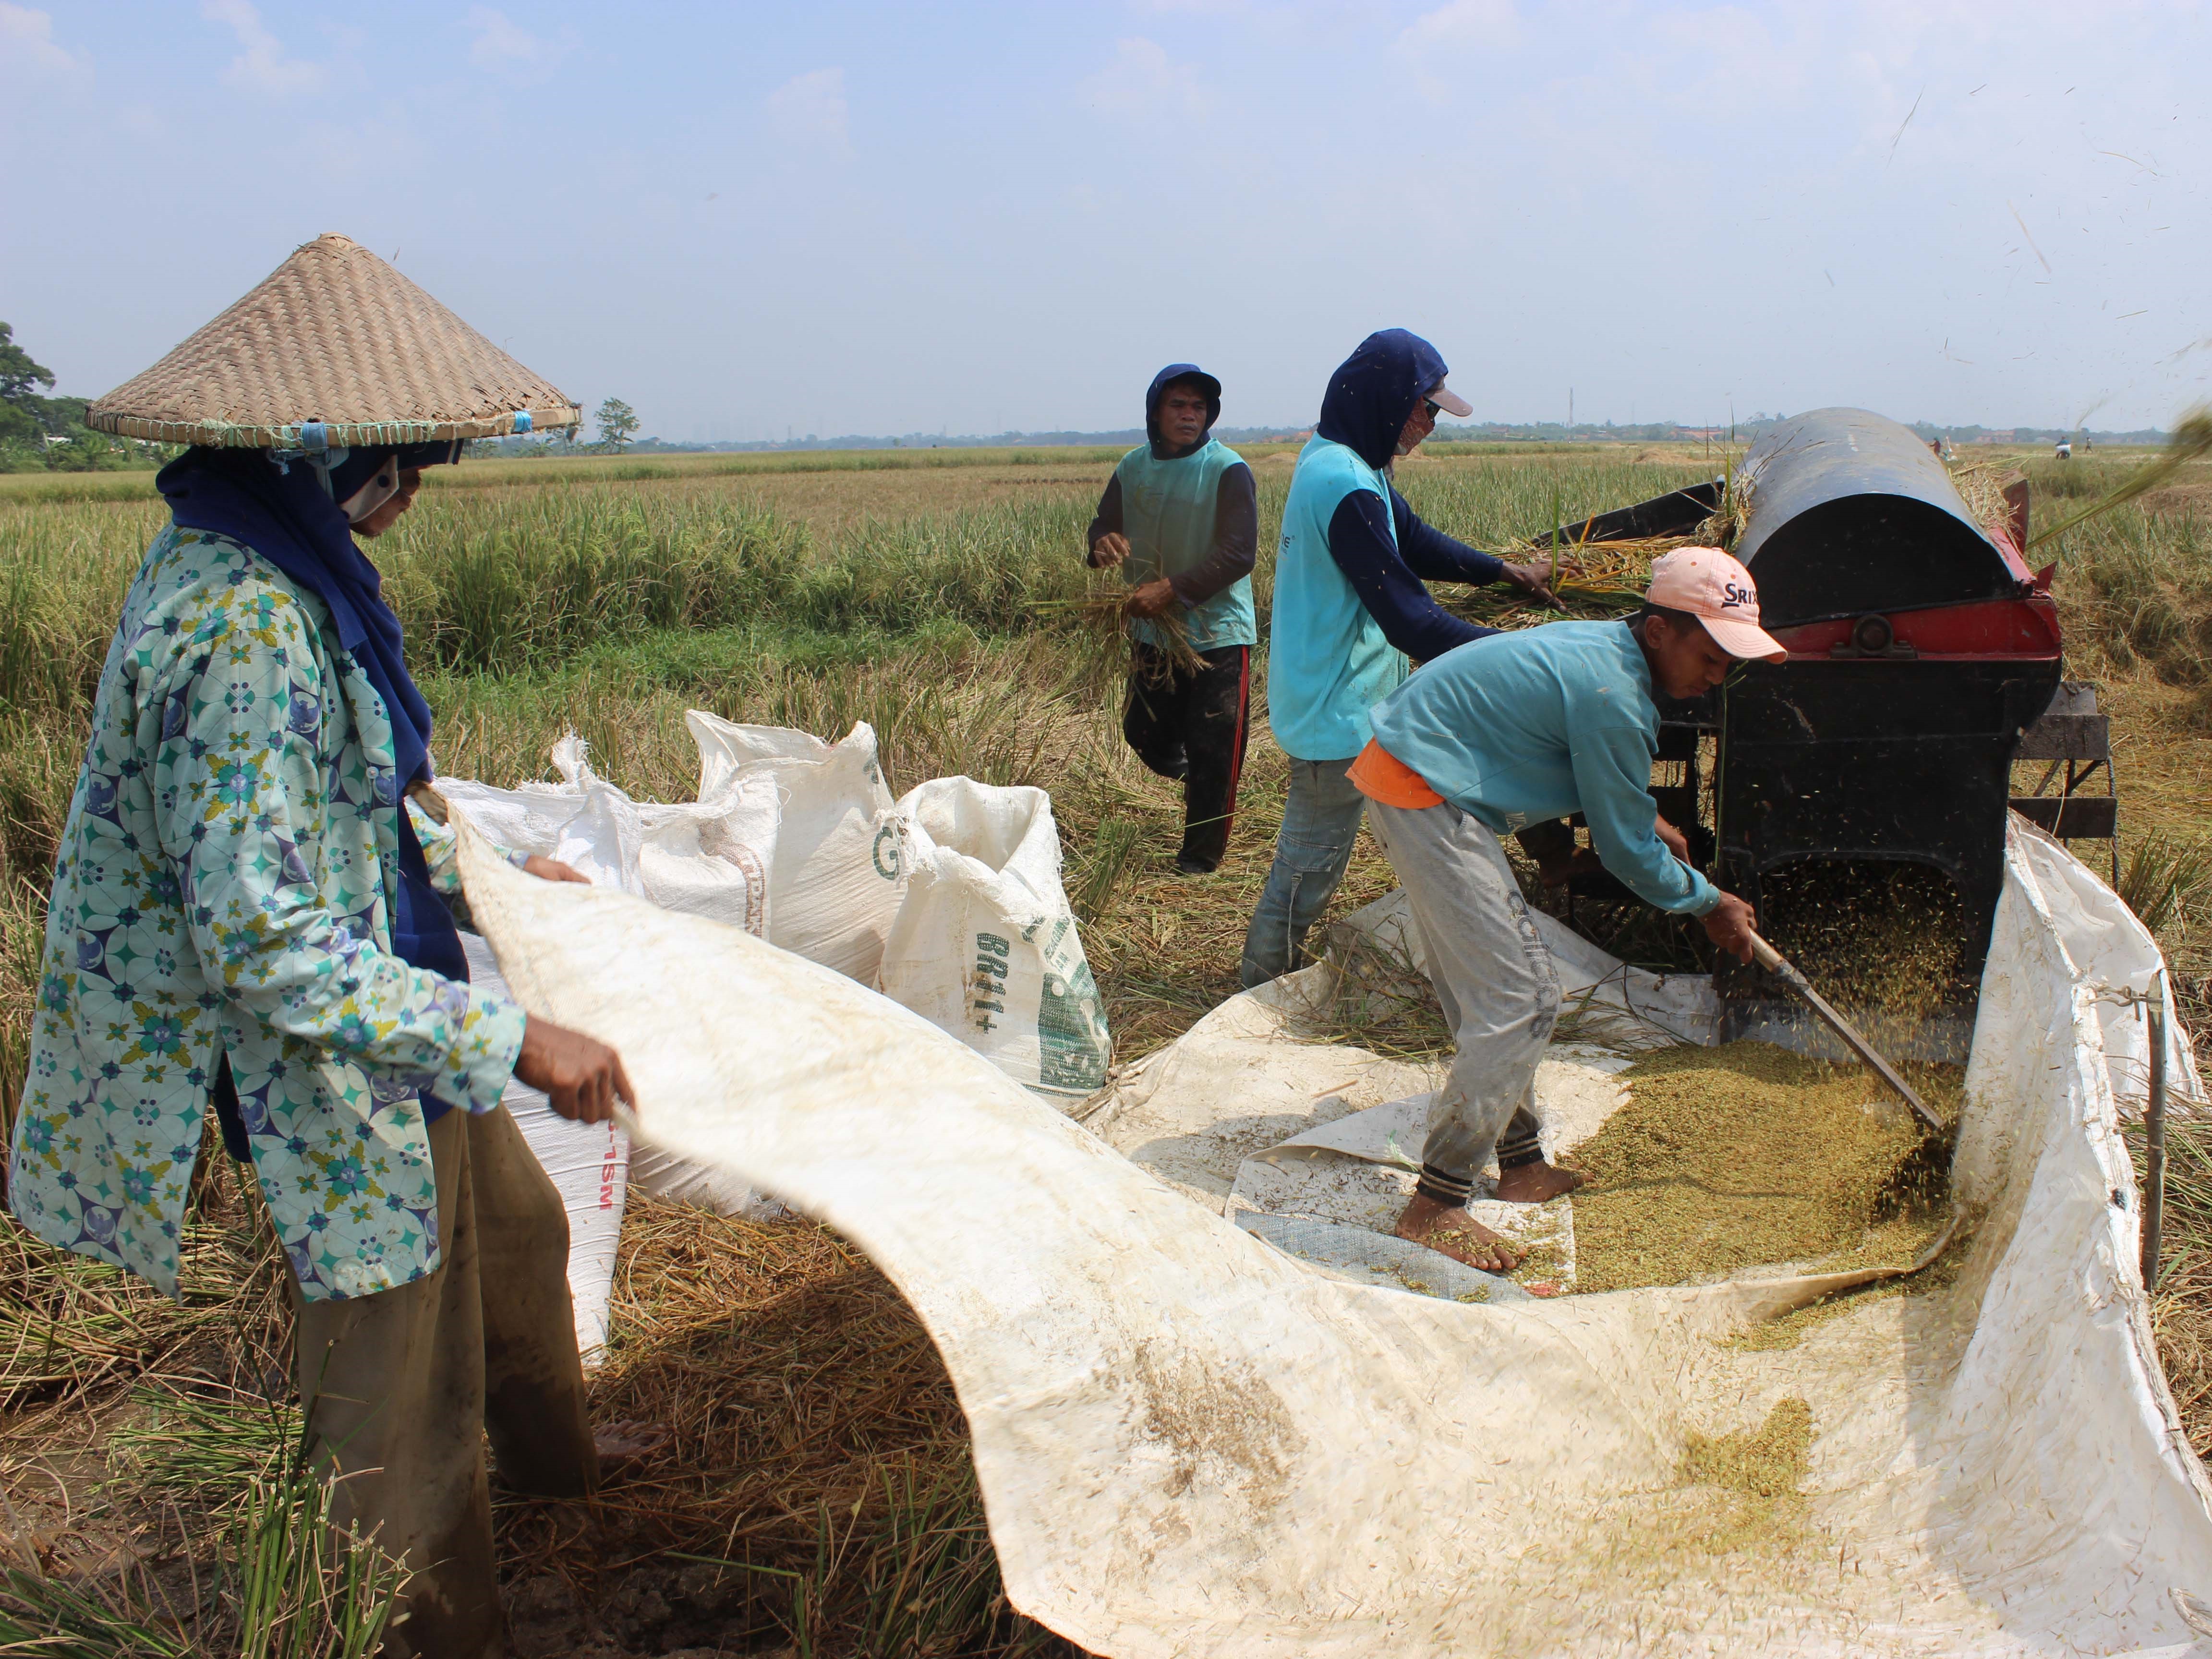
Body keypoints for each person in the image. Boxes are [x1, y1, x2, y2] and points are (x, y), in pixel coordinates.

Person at [7, 234, 634, 1658]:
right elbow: (265, 940)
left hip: (390, 988)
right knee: (390, 1399)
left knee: (521, 1239)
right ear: (318, 458)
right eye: (394, 470)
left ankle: (558, 1476)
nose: (405, 500)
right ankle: (415, 1623)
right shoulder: (238, 622)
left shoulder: (292, 577)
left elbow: (351, 811)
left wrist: (485, 881)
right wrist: (512, 1031)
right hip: (314, 1055)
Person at [1344, 547, 1780, 1271]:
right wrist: (1708, 903)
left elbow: (1572, 761)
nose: (1713, 679)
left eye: (1726, 665)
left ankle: (1518, 1167)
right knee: (1520, 998)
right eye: (1709, 657)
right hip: (1424, 788)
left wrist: (1642, 820)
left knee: (1490, 992)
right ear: (1658, 632)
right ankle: (1433, 1206)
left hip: (1419, 771)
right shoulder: (1615, 693)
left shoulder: (1608, 652)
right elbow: (1621, 852)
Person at [1239, 328, 1556, 987]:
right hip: (1334, 708)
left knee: (1333, 852)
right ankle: (1258, 986)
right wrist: (1529, 653)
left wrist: (1505, 573)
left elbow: (1411, 538)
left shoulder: (1351, 464)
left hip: (1352, 697)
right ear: (1386, 399)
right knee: (1309, 863)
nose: (1431, 425)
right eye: (1427, 407)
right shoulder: (1343, 483)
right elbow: (1411, 620)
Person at [1087, 365, 1258, 874]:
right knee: (1142, 732)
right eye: (1178, 406)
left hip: (1217, 632)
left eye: (1197, 408)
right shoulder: (1132, 467)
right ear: (1155, 412)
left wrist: (1172, 589)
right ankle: (1200, 778)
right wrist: (1100, 545)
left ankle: (1199, 861)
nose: (1188, 415)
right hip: (1152, 630)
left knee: (1214, 748)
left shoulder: (1226, 468)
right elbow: (1104, 526)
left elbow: (1238, 553)